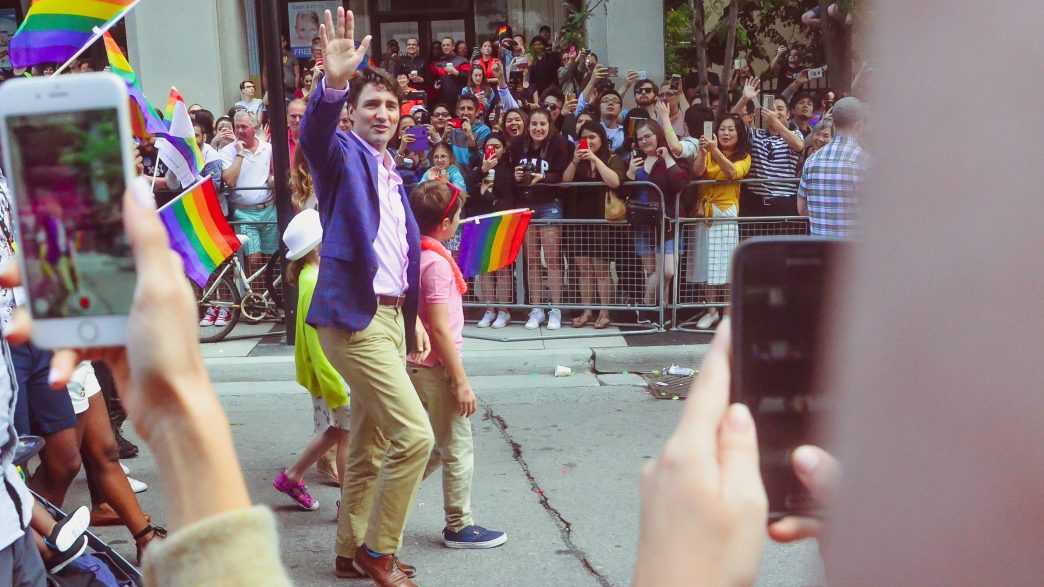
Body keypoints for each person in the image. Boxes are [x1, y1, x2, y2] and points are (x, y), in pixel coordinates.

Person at [298, 8, 433, 584]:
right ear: (352, 114)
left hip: (389, 316)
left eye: (390, 106)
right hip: (353, 319)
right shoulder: (341, 156)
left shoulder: (390, 169)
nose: (382, 113)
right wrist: (331, 84)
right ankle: (380, 550)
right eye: (370, 105)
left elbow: (403, 253)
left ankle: (349, 551)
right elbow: (313, 135)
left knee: (373, 443)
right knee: (416, 435)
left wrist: (414, 318)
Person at [406, 180, 508, 549]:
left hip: (418, 364)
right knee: (457, 448)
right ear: (447, 223)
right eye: (458, 216)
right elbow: (438, 328)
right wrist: (460, 380)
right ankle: (459, 526)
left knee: (427, 446)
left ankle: (379, 500)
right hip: (435, 366)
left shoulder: (415, 253)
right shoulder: (434, 263)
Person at [273, 210, 351, 512]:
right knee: (348, 436)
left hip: (328, 375)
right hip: (334, 375)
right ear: (319, 247)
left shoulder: (309, 277)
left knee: (336, 431)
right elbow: (320, 342)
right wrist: (336, 385)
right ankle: (349, 504)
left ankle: (292, 476)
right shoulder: (315, 280)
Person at [688, 114, 752, 330]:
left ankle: (727, 312)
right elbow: (697, 172)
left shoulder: (744, 156)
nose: (725, 133)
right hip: (704, 213)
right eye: (722, 129)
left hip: (726, 213)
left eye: (731, 129)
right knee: (707, 263)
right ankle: (711, 311)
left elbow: (732, 172)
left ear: (739, 133)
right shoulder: (709, 151)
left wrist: (714, 150)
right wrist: (704, 151)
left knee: (726, 267)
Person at [509, 107, 571, 330]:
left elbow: (560, 174)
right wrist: (516, 176)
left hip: (549, 204)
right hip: (525, 204)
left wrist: (542, 177)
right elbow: (510, 173)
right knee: (532, 260)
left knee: (553, 259)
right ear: (528, 125)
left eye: (542, 124)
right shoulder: (517, 144)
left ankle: (555, 308)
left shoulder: (559, 143)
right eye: (534, 124)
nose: (538, 128)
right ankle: (536, 309)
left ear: (549, 125)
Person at [562, 121, 626, 329]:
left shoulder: (612, 158)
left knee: (601, 269)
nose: (588, 142)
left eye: (593, 137)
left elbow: (615, 181)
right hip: (579, 220)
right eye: (585, 137)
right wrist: (574, 160)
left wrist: (595, 159)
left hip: (602, 221)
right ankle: (588, 310)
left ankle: (605, 311)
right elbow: (565, 183)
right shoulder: (578, 160)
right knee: (584, 270)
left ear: (601, 139)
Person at [625, 118, 689, 306]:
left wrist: (668, 157)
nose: (644, 141)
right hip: (641, 222)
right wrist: (629, 174)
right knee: (652, 269)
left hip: (666, 221)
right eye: (640, 138)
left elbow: (680, 183)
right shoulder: (635, 159)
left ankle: (645, 305)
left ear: (657, 135)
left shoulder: (672, 156)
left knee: (667, 271)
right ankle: (662, 312)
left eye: (648, 136)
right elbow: (622, 192)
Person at [730, 77, 804, 217]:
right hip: (755, 202)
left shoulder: (794, 134)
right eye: (771, 108)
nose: (775, 112)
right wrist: (744, 99)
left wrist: (776, 124)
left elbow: (799, 146)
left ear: (788, 114)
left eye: (780, 109)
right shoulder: (755, 134)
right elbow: (732, 119)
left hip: (784, 203)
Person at [797, 97, 869, 236]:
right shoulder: (866, 162)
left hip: (820, 250)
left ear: (833, 123)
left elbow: (801, 209)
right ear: (859, 124)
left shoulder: (812, 160)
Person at [469, 133, 515, 329]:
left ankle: (504, 310)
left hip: (502, 222)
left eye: (497, 146)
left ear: (504, 149)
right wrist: (482, 170)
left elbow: (509, 201)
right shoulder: (478, 166)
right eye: (489, 146)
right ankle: (490, 309)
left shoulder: (509, 171)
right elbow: (467, 187)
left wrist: (488, 196)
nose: (493, 150)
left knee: (502, 269)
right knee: (484, 269)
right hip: (480, 222)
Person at [447, 94, 490, 172]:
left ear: (477, 112)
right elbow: (446, 155)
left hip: (473, 176)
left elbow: (480, 162)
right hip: (454, 175)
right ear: (457, 112)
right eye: (462, 108)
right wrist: (444, 137)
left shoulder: (484, 130)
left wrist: (470, 137)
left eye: (470, 108)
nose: (465, 112)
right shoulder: (452, 127)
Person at [433, 37, 469, 107]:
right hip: (443, 99)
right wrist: (436, 84)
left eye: (448, 45)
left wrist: (456, 73)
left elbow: (469, 77)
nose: (445, 47)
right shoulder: (439, 63)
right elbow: (435, 78)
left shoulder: (462, 61)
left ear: (453, 46)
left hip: (459, 98)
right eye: (443, 45)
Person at [281, 35, 301, 101]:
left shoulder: (291, 56)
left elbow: (297, 74)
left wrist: (296, 88)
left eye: (281, 41)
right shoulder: (271, 56)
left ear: (285, 42)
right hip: (276, 89)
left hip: (290, 88)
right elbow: (265, 74)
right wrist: (267, 89)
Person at [286, 98, 306, 163]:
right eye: (293, 116)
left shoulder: (316, 142)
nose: (297, 120)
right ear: (287, 118)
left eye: (301, 117)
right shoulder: (278, 142)